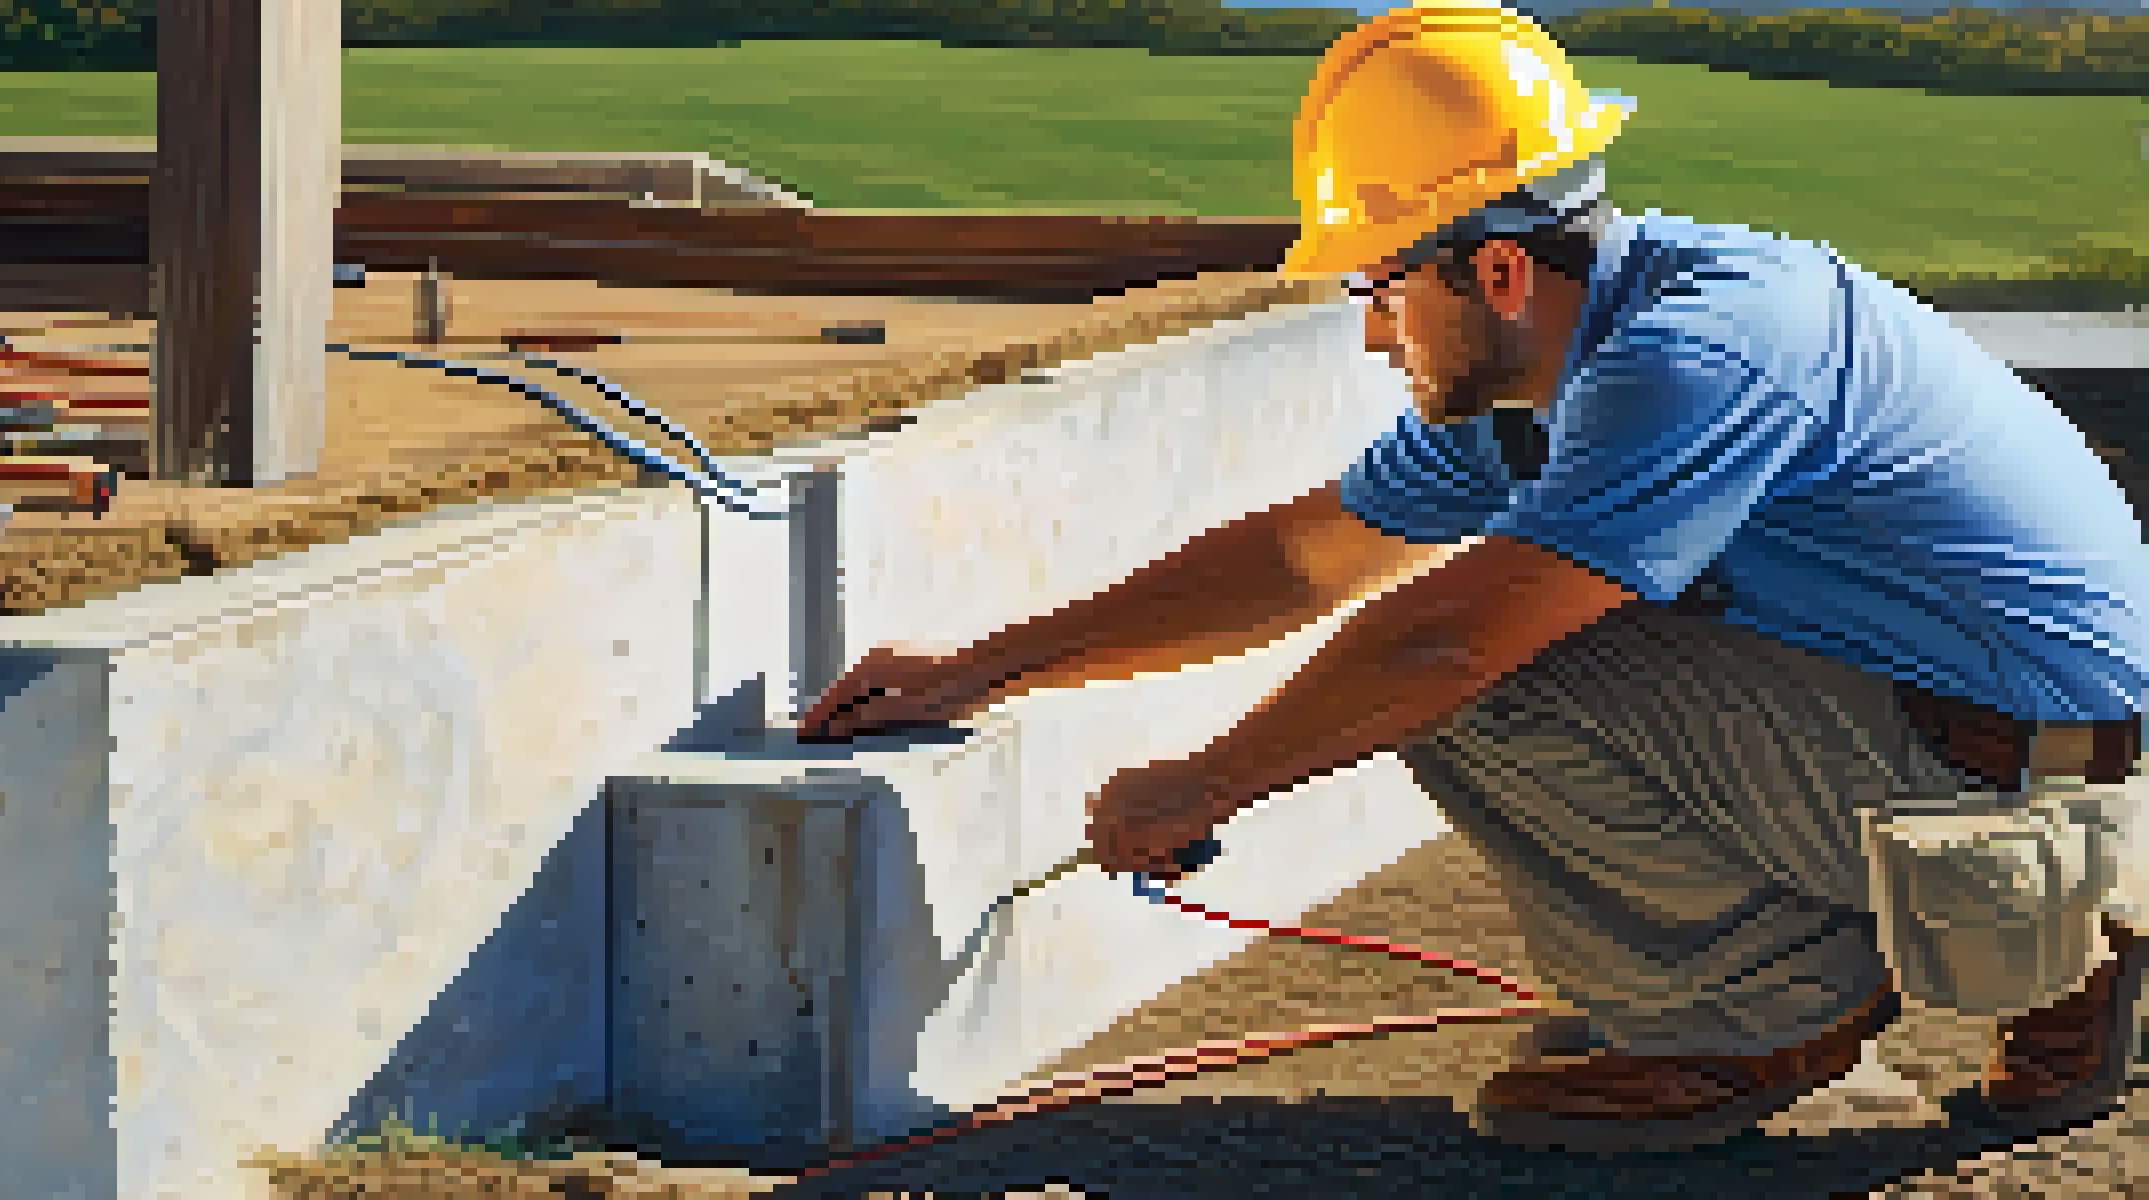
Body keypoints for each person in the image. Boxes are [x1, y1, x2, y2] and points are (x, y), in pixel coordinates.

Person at [798, 0, 2149, 1154]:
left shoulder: (1699, 358)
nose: (1376, 338)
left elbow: (1439, 648)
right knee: (1478, 641)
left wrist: (1202, 786)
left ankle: (1787, 1008)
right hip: (1945, 729)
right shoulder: (1556, 367)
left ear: (1493, 268)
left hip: (2030, 774)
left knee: (1478, 674)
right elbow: (1296, 560)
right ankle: (1903, 966)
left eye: (1378, 293)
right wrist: (986, 664)